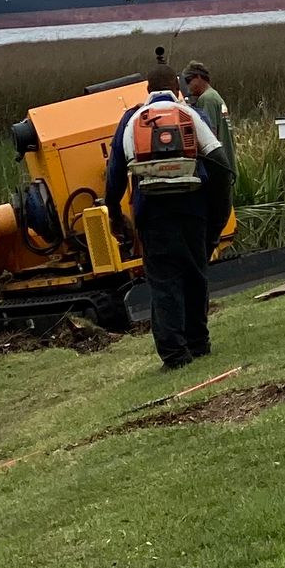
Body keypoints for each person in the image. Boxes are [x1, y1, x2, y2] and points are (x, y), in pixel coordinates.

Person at [104, 67, 231, 369]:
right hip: (193, 209)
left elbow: (115, 176)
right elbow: (220, 164)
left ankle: (174, 354)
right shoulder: (189, 114)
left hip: (153, 213)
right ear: (177, 86)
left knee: (164, 282)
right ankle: (199, 343)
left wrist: (115, 215)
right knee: (194, 276)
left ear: (147, 89)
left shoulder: (132, 120)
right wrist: (217, 215)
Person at [182, 62, 237, 188]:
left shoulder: (206, 99)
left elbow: (208, 135)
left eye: (189, 80)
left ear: (199, 77)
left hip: (217, 166)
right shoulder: (214, 96)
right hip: (227, 163)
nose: (188, 86)